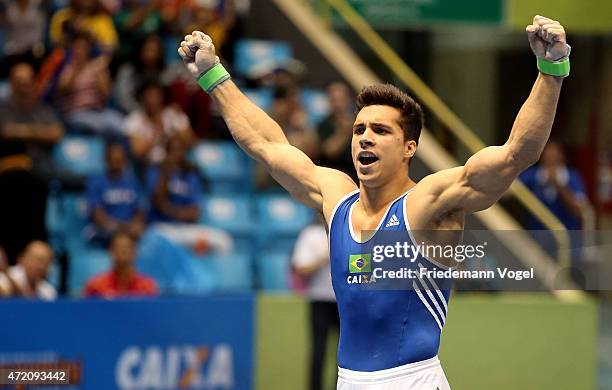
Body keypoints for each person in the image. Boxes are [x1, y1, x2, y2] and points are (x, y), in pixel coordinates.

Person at [178, 15, 570, 389]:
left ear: (408, 148)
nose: (364, 137)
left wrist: (551, 71)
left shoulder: (429, 203)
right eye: (359, 129)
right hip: (349, 381)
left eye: (380, 130)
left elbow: (516, 153)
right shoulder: (336, 199)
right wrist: (215, 76)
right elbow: (267, 146)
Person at [292, 217, 339, 390]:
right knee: (318, 350)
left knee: (345, 353)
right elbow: (301, 269)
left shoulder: (348, 229)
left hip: (345, 302)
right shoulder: (310, 235)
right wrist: (326, 257)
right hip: (320, 300)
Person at [520, 140, 591, 230]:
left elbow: (579, 210)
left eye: (554, 155)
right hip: (537, 234)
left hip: (567, 234)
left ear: (562, 156)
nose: (551, 158)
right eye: (547, 155)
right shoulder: (533, 174)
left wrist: (558, 185)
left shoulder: (572, 176)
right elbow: (510, 190)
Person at [85, 142, 146, 243]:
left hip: (129, 229)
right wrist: (122, 227)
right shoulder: (95, 182)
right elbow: (98, 216)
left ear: (125, 161)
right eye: (112, 160)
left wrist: (133, 226)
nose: (115, 164)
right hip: (105, 230)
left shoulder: (133, 182)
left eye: (119, 161)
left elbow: (140, 211)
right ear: (106, 161)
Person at [83, 232, 158, 298]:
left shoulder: (147, 286)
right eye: (118, 248)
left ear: (134, 252)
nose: (122, 252)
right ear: (111, 251)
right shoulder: (96, 285)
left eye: (126, 248)